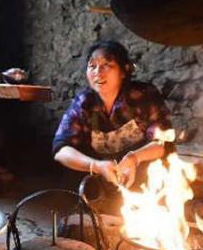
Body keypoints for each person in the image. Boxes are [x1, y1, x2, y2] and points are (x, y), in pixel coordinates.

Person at [52, 40, 173, 212]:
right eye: (92, 66)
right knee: (73, 178)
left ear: (124, 71)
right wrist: (95, 166)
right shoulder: (84, 103)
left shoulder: (143, 95)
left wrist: (134, 158)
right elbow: (61, 150)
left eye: (106, 65)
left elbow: (163, 143)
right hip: (101, 178)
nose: (97, 72)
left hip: (140, 176)